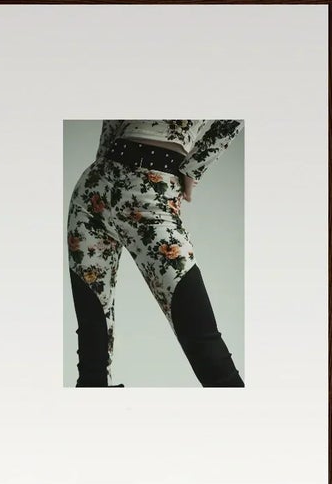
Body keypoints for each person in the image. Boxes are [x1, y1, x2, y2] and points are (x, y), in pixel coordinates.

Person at [66, 120, 244, 387]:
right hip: (92, 194)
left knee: (203, 344)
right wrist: (102, 164)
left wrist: (193, 169)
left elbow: (232, 119)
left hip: (152, 194)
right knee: (92, 356)